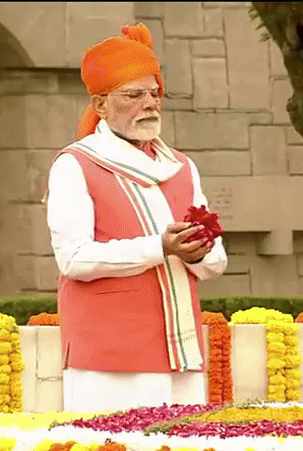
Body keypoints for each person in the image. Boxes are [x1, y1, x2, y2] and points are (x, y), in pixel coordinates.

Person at [44, 23, 228, 413]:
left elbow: (216, 263)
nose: (149, 103)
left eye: (154, 93)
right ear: (99, 105)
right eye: (133, 94)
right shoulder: (75, 164)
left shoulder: (181, 166)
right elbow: (73, 259)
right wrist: (159, 247)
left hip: (181, 353)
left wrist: (196, 253)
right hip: (109, 359)